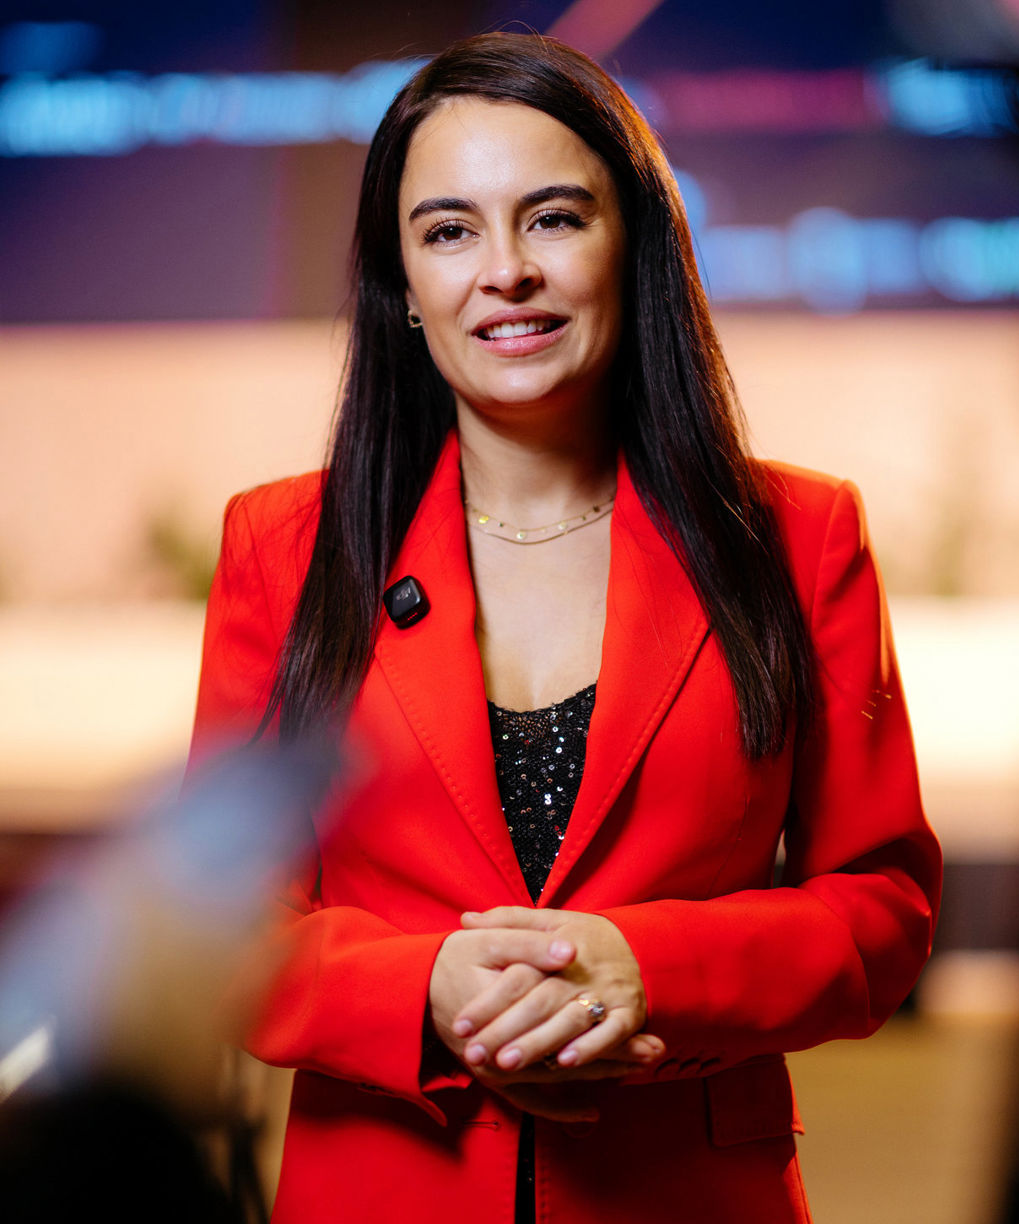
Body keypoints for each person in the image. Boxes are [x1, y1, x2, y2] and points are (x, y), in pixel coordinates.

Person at [188, 31, 942, 1224]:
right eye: (449, 231)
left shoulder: (800, 537)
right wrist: (424, 991)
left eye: (552, 218)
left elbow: (881, 908)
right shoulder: (285, 551)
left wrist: (650, 971)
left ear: (633, 245)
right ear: (401, 285)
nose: (505, 272)